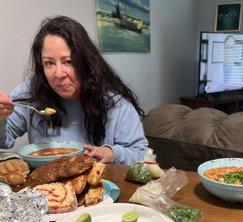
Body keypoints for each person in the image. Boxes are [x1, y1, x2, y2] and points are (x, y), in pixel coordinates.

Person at [0, 16, 148, 165]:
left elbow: (140, 153)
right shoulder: (32, 89)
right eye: (49, 63)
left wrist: (112, 153)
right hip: (42, 185)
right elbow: (4, 141)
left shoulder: (114, 101)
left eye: (68, 61)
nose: (58, 74)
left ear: (86, 62)